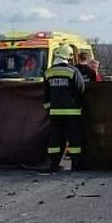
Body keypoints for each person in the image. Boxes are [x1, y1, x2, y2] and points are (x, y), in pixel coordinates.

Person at [44, 43, 86, 172]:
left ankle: (53, 164)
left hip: (55, 113)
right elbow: (81, 89)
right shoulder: (73, 71)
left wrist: (48, 108)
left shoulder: (49, 72)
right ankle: (75, 164)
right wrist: (82, 105)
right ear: (68, 56)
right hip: (72, 112)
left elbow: (46, 94)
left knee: (55, 138)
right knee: (74, 139)